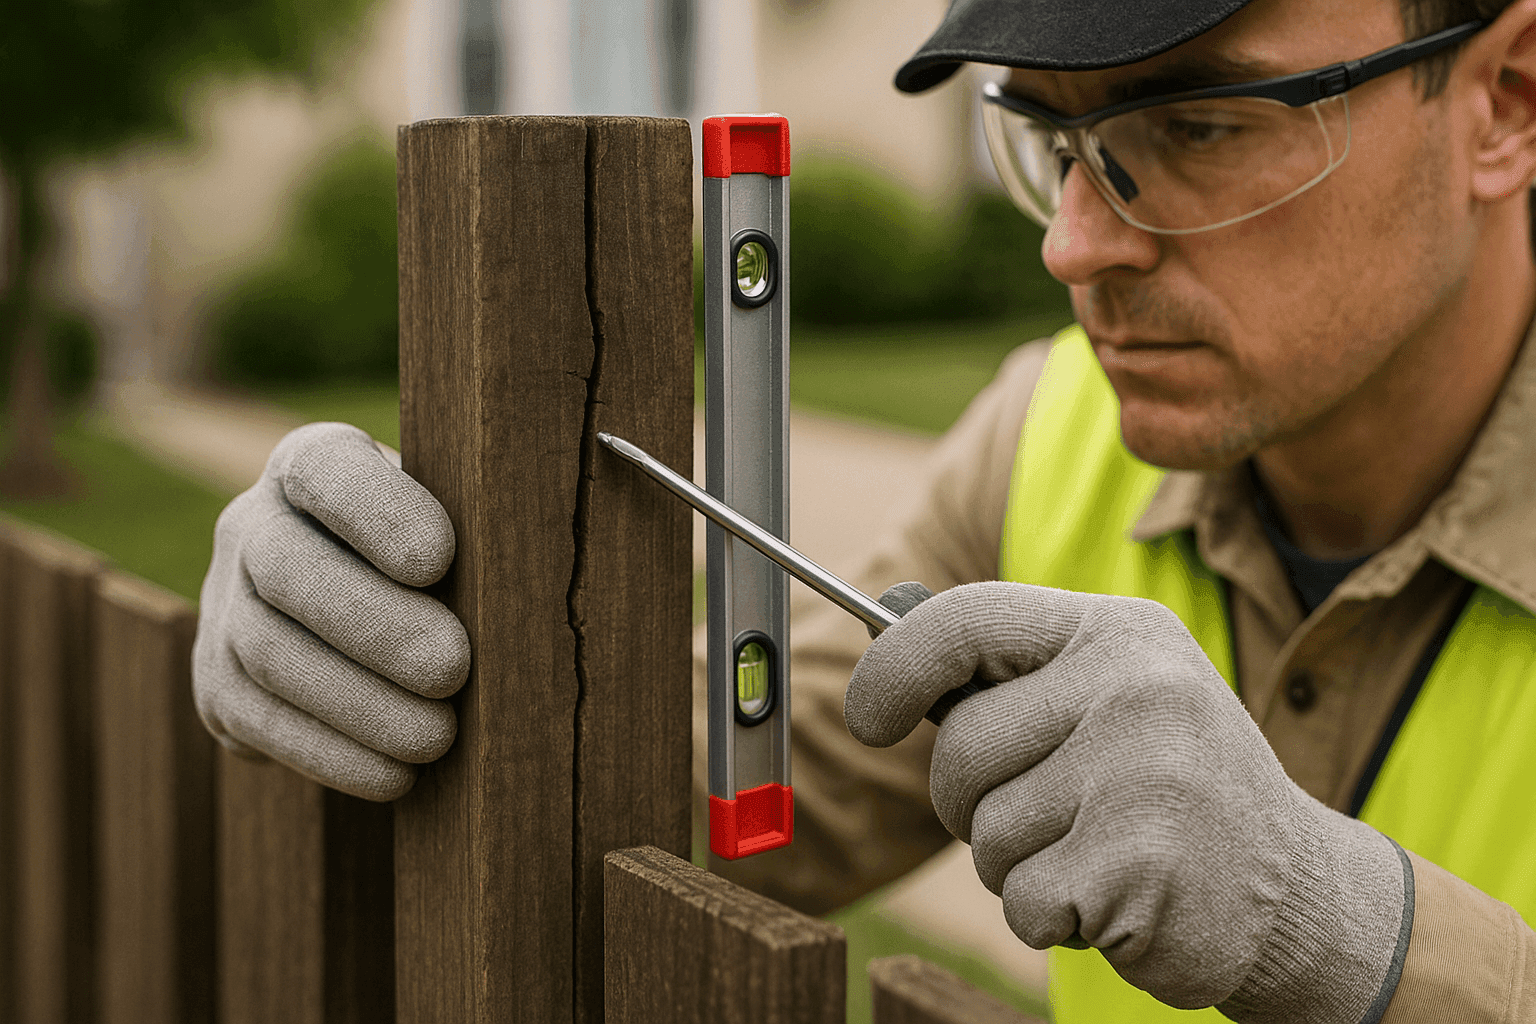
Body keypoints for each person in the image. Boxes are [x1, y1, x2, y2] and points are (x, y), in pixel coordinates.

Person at [191, 0, 1536, 1019]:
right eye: (1053, 138)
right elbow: (723, 804)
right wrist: (356, 656)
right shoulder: (1052, 435)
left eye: (1198, 126)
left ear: (1506, 103)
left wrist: (1346, 927)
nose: (1073, 243)